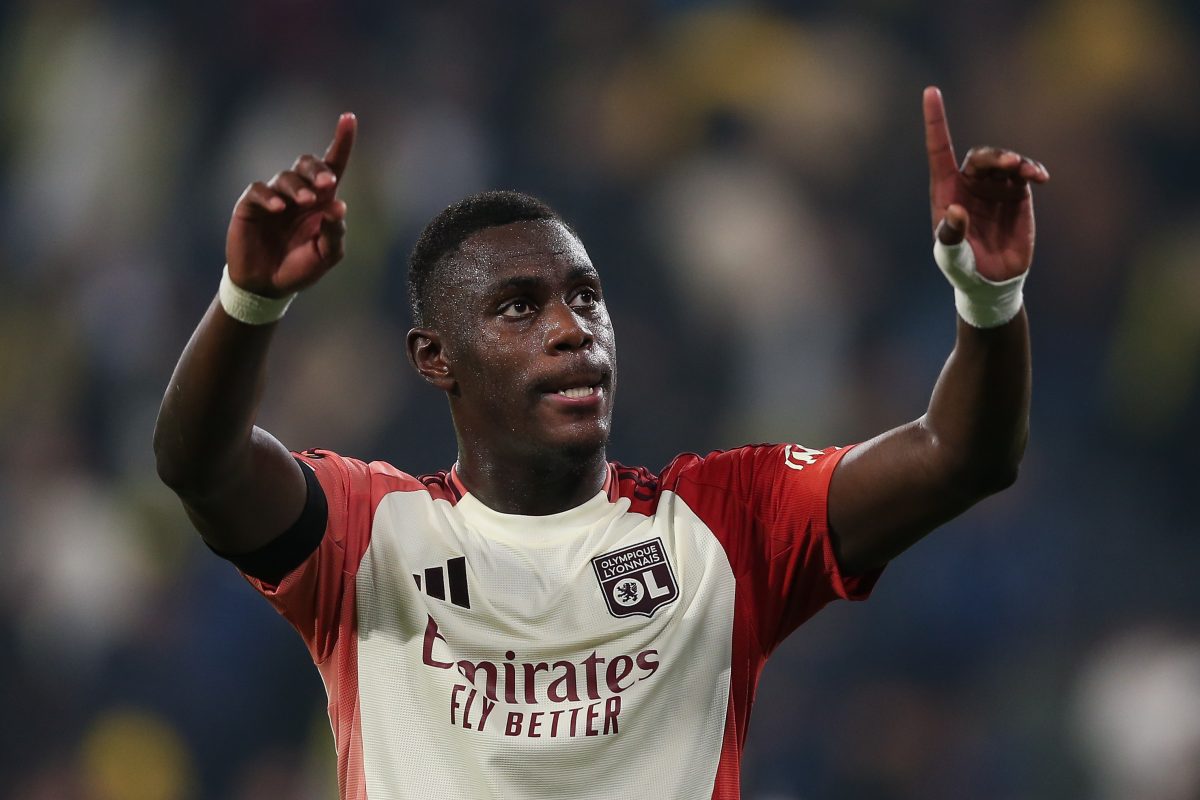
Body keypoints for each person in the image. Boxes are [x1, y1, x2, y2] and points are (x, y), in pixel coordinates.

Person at [153, 87, 1048, 799]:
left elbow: (961, 455)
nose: (571, 329)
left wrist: (989, 299)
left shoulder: (723, 523)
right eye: (519, 307)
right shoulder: (370, 534)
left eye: (585, 298)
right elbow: (200, 464)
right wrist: (248, 301)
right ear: (435, 358)